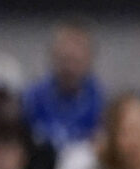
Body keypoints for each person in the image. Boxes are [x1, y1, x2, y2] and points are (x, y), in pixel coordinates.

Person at [22, 20, 102, 152]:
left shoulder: (101, 102)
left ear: (89, 59)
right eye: (65, 59)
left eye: (76, 61)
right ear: (52, 56)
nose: (69, 68)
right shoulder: (32, 99)